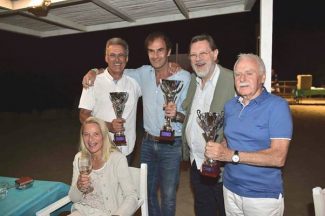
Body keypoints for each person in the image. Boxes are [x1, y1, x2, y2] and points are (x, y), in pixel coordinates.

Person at [82, 32, 191, 216]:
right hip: (148, 143)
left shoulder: (184, 77)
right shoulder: (141, 74)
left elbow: (191, 115)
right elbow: (115, 68)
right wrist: (93, 70)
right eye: (151, 51)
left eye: (160, 50)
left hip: (172, 144)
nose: (155, 56)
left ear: (169, 52)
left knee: (169, 195)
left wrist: (178, 114)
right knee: (145, 192)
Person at [205, 53, 293, 216]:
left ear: (262, 77)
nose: (242, 78)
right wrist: (219, 149)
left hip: (262, 196)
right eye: (237, 74)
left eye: (249, 73)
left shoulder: (277, 106)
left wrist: (232, 156)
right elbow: (228, 139)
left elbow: (278, 157)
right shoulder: (230, 106)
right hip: (230, 189)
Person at [165, 34, 235, 216]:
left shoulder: (232, 80)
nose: (198, 59)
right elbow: (195, 120)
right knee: (204, 209)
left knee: (225, 210)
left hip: (222, 168)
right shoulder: (194, 82)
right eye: (193, 55)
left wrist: (227, 146)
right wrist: (178, 116)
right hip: (197, 163)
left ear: (215, 54)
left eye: (203, 53)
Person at [78, 37, 141, 165]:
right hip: (100, 152)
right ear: (106, 58)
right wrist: (108, 126)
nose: (117, 60)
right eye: (112, 55)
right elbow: (83, 115)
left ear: (126, 58)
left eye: (121, 55)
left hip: (126, 152)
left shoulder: (134, 83)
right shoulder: (93, 82)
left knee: (124, 185)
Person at [68, 116, 138, 216]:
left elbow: (131, 196)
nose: (90, 139)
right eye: (86, 134)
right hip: (82, 211)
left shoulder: (117, 159)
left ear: (104, 136)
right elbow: (74, 198)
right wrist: (78, 187)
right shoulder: (79, 158)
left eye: (96, 134)